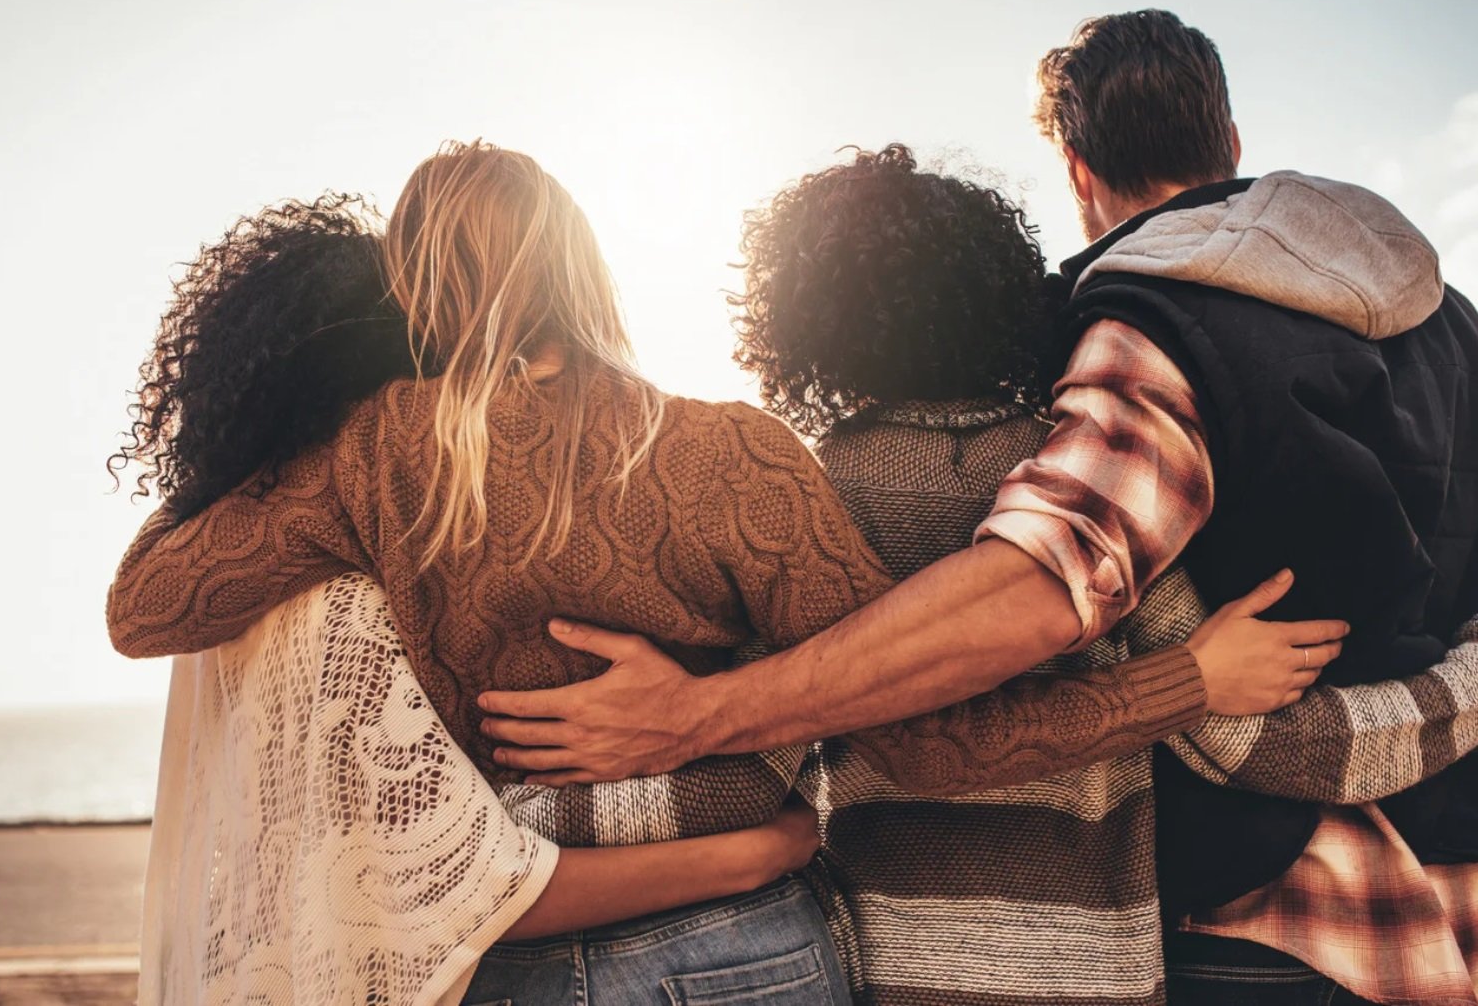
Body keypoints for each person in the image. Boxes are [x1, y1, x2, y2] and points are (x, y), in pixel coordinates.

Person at [106, 148, 1320, 1005]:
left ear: (409, 279)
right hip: (747, 950)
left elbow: (143, 603)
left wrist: (261, 421)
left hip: (516, 955)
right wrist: (1186, 680)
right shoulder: (724, 452)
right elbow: (933, 741)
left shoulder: (367, 454)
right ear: (588, 270)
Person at [481, 13, 1478, 1004]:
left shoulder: (1139, 330)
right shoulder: (1451, 324)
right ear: (1230, 140)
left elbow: (1042, 588)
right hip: (1419, 893)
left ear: (1079, 172)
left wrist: (679, 727)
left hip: (1248, 912)